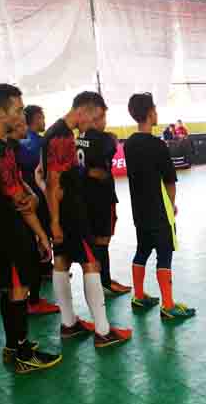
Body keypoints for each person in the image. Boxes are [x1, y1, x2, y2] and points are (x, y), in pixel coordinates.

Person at [0, 84, 62, 373]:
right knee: (18, 289)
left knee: (12, 289)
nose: (20, 115)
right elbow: (21, 202)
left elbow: (19, 186)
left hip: (3, 229)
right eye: (17, 110)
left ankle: (13, 345)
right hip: (6, 231)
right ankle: (22, 353)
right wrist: (42, 234)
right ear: (0, 112)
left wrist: (30, 194)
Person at [44, 91, 132, 348]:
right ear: (83, 111)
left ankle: (69, 324)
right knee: (91, 263)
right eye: (94, 117)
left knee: (61, 260)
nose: (92, 124)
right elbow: (53, 182)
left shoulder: (53, 132)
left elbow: (43, 175)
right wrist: (56, 221)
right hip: (71, 212)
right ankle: (103, 332)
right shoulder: (62, 136)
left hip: (63, 210)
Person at [124, 93, 195, 320]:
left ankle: (138, 296)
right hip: (159, 210)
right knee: (164, 254)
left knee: (142, 250)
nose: (157, 113)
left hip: (139, 210)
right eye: (154, 109)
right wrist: (171, 206)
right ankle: (168, 306)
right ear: (149, 113)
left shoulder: (129, 144)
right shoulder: (158, 145)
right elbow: (170, 181)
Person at [75, 121, 131, 295]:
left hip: (86, 197)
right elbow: (110, 146)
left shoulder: (79, 139)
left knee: (95, 240)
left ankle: (102, 280)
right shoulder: (101, 140)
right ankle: (104, 281)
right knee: (102, 240)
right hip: (102, 198)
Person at [12, 113, 59, 316]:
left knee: (36, 247)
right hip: (27, 207)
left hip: (30, 201)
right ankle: (33, 299)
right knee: (36, 247)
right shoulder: (28, 144)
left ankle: (33, 296)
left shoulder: (13, 147)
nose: (44, 120)